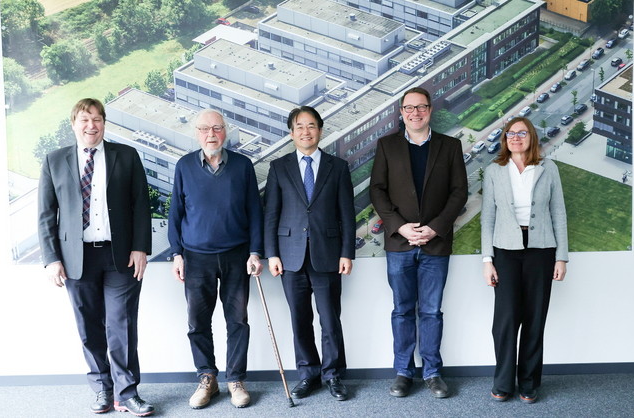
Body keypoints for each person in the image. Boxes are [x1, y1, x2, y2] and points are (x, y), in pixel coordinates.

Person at [38, 98, 154, 416]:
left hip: (121, 257)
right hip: (76, 259)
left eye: (98, 119)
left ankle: (127, 393)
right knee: (89, 327)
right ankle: (103, 387)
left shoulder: (126, 156)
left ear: (104, 123)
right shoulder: (54, 160)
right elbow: (46, 214)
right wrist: (51, 258)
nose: (92, 126)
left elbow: (141, 205)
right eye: (85, 120)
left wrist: (141, 247)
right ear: (73, 124)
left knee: (122, 325)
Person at [370, 87, 468, 399]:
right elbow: (377, 191)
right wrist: (400, 226)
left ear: (430, 110)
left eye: (421, 107)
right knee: (402, 310)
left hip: (435, 245)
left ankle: (432, 372)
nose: (415, 113)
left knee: (431, 311)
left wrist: (435, 228)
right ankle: (403, 372)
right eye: (409, 108)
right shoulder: (386, 146)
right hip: (400, 245)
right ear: (401, 113)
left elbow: (459, 192)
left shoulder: (450, 146)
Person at [168, 109, 264, 409]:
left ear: (226, 131)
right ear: (197, 133)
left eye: (217, 128)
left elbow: (255, 212)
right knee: (198, 322)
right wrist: (177, 254)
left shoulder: (243, 165)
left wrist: (255, 251)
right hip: (196, 258)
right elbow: (175, 214)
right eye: (205, 129)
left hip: (236, 255)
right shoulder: (184, 166)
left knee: (238, 320)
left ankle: (235, 380)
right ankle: (207, 378)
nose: (211, 134)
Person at [264, 106, 356, 401]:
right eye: (300, 127)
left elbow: (347, 214)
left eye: (311, 126)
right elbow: (271, 214)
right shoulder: (279, 167)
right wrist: (272, 254)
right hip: (289, 257)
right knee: (299, 319)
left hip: (328, 254)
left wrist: (347, 252)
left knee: (330, 320)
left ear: (320, 130)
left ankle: (333, 375)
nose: (306, 131)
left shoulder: (337, 166)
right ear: (291, 133)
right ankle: (308, 374)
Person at [481, 117, 568, 404]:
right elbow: (487, 218)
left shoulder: (548, 168)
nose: (515, 138)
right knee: (505, 320)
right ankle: (503, 381)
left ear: (531, 137)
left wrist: (561, 257)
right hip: (505, 251)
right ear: (505, 139)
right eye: (510, 133)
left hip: (541, 250)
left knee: (534, 318)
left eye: (521, 133)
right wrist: (487, 260)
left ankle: (529, 382)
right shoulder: (494, 170)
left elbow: (558, 213)